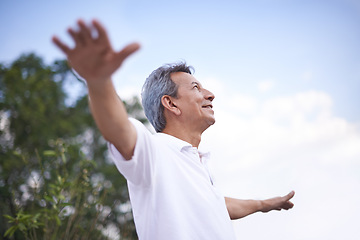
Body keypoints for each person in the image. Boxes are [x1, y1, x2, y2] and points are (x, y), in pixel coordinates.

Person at [52, 19, 295, 240]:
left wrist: (264, 204)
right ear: (170, 103)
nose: (210, 94)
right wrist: (99, 82)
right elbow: (119, 131)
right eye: (196, 88)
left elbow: (219, 206)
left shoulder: (194, 161)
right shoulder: (154, 150)